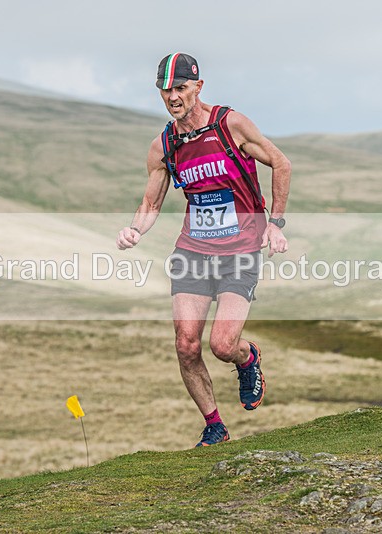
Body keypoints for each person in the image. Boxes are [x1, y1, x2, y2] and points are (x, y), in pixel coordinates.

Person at [116, 53, 291, 447]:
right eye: (166, 91)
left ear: (198, 86)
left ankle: (247, 359)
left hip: (240, 251)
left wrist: (275, 224)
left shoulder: (230, 125)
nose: (173, 98)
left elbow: (281, 164)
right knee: (186, 345)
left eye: (180, 88)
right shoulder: (165, 144)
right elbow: (151, 204)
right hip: (193, 253)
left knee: (222, 345)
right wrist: (134, 230)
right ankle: (215, 425)